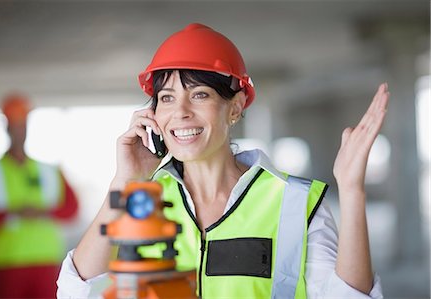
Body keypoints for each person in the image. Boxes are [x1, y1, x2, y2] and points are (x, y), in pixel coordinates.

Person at [57, 23, 388, 298]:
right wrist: (124, 182)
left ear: (235, 107)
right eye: (167, 98)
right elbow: (76, 292)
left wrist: (352, 189)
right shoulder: (140, 201)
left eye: (200, 95)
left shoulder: (294, 201)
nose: (181, 112)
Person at [0, 93, 79, 298]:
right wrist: (13, 213)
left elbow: (72, 209)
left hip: (46, 262)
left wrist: (41, 212)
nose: (19, 131)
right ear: (6, 127)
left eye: (22, 124)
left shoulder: (49, 171)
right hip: (4, 264)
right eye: (14, 124)